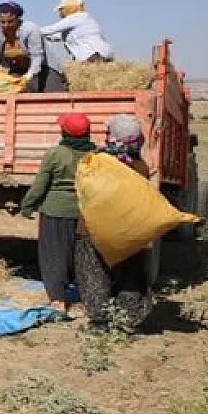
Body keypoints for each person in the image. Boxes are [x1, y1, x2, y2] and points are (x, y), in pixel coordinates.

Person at [73, 114, 155, 333]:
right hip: (128, 230)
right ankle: (129, 320)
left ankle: (100, 322)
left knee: (93, 272)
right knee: (131, 273)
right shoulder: (140, 166)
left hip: (93, 228)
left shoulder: (97, 161)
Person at [16, 111, 97, 317]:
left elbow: (40, 184)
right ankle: (88, 296)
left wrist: (27, 206)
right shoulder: (95, 155)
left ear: (64, 132)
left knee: (54, 255)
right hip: (83, 213)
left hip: (55, 212)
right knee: (79, 254)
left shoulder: (55, 153)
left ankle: (58, 301)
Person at [0, 1, 65, 93]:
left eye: (10, 22)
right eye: (3, 22)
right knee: (9, 91)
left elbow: (37, 57)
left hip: (44, 67)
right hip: (17, 70)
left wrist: (28, 76)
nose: (6, 25)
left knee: (51, 94)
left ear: (18, 19)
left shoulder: (30, 30)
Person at [42, 0, 114, 67]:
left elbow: (50, 30)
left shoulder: (76, 17)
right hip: (101, 54)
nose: (60, 12)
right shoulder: (83, 19)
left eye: (61, 9)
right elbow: (55, 36)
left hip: (93, 56)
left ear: (69, 8)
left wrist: (32, 30)